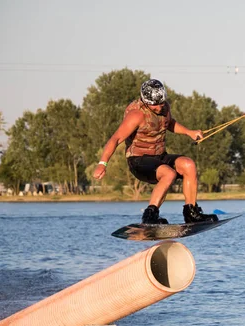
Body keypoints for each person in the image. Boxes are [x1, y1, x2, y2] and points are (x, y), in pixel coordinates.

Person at [93, 79, 218, 224]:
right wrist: (103, 163)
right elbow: (115, 139)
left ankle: (191, 213)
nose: (160, 107)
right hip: (139, 160)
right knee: (169, 173)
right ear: (146, 101)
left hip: (159, 157)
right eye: (156, 105)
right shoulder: (136, 115)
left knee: (188, 164)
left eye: (162, 103)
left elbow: (169, 123)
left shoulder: (164, 107)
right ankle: (150, 216)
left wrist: (189, 132)